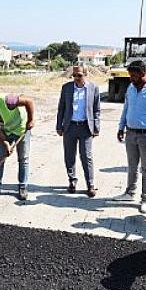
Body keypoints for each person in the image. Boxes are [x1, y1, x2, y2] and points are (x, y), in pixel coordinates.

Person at [116, 61, 146, 213]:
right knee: (132, 166)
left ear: (143, 73)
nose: (131, 78)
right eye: (130, 75)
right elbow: (126, 108)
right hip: (130, 133)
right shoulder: (131, 88)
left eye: (134, 75)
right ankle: (130, 193)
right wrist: (121, 127)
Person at [56, 65, 101, 197]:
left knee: (86, 156)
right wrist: (59, 126)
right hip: (70, 127)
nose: (76, 78)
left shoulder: (93, 88)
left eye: (79, 75)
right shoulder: (66, 88)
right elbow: (61, 108)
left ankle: (90, 184)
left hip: (85, 128)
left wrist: (96, 127)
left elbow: (96, 109)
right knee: (69, 156)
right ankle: (72, 181)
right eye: (74, 75)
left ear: (86, 75)